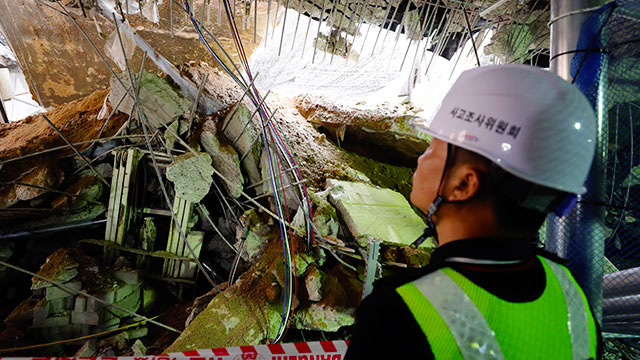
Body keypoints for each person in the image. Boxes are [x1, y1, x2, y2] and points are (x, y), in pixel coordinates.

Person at [344, 64, 602, 360]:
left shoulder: (397, 313)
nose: (421, 158)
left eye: (433, 148)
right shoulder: (570, 292)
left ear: (463, 183)